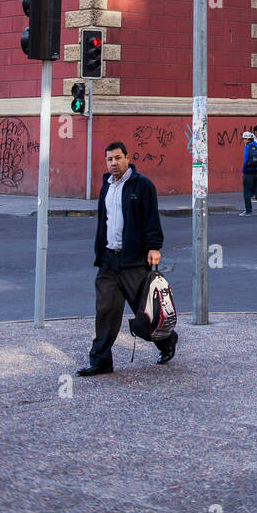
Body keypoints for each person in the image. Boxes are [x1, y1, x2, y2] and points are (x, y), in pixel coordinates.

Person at [78, 141, 177, 375]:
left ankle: (167, 342)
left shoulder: (142, 186)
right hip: (109, 260)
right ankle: (101, 360)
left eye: (118, 158)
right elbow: (105, 221)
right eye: (109, 159)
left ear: (127, 158)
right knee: (105, 312)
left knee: (145, 312)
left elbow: (151, 218)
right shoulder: (106, 187)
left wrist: (154, 246)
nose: (114, 163)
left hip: (133, 260)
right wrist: (100, 252)